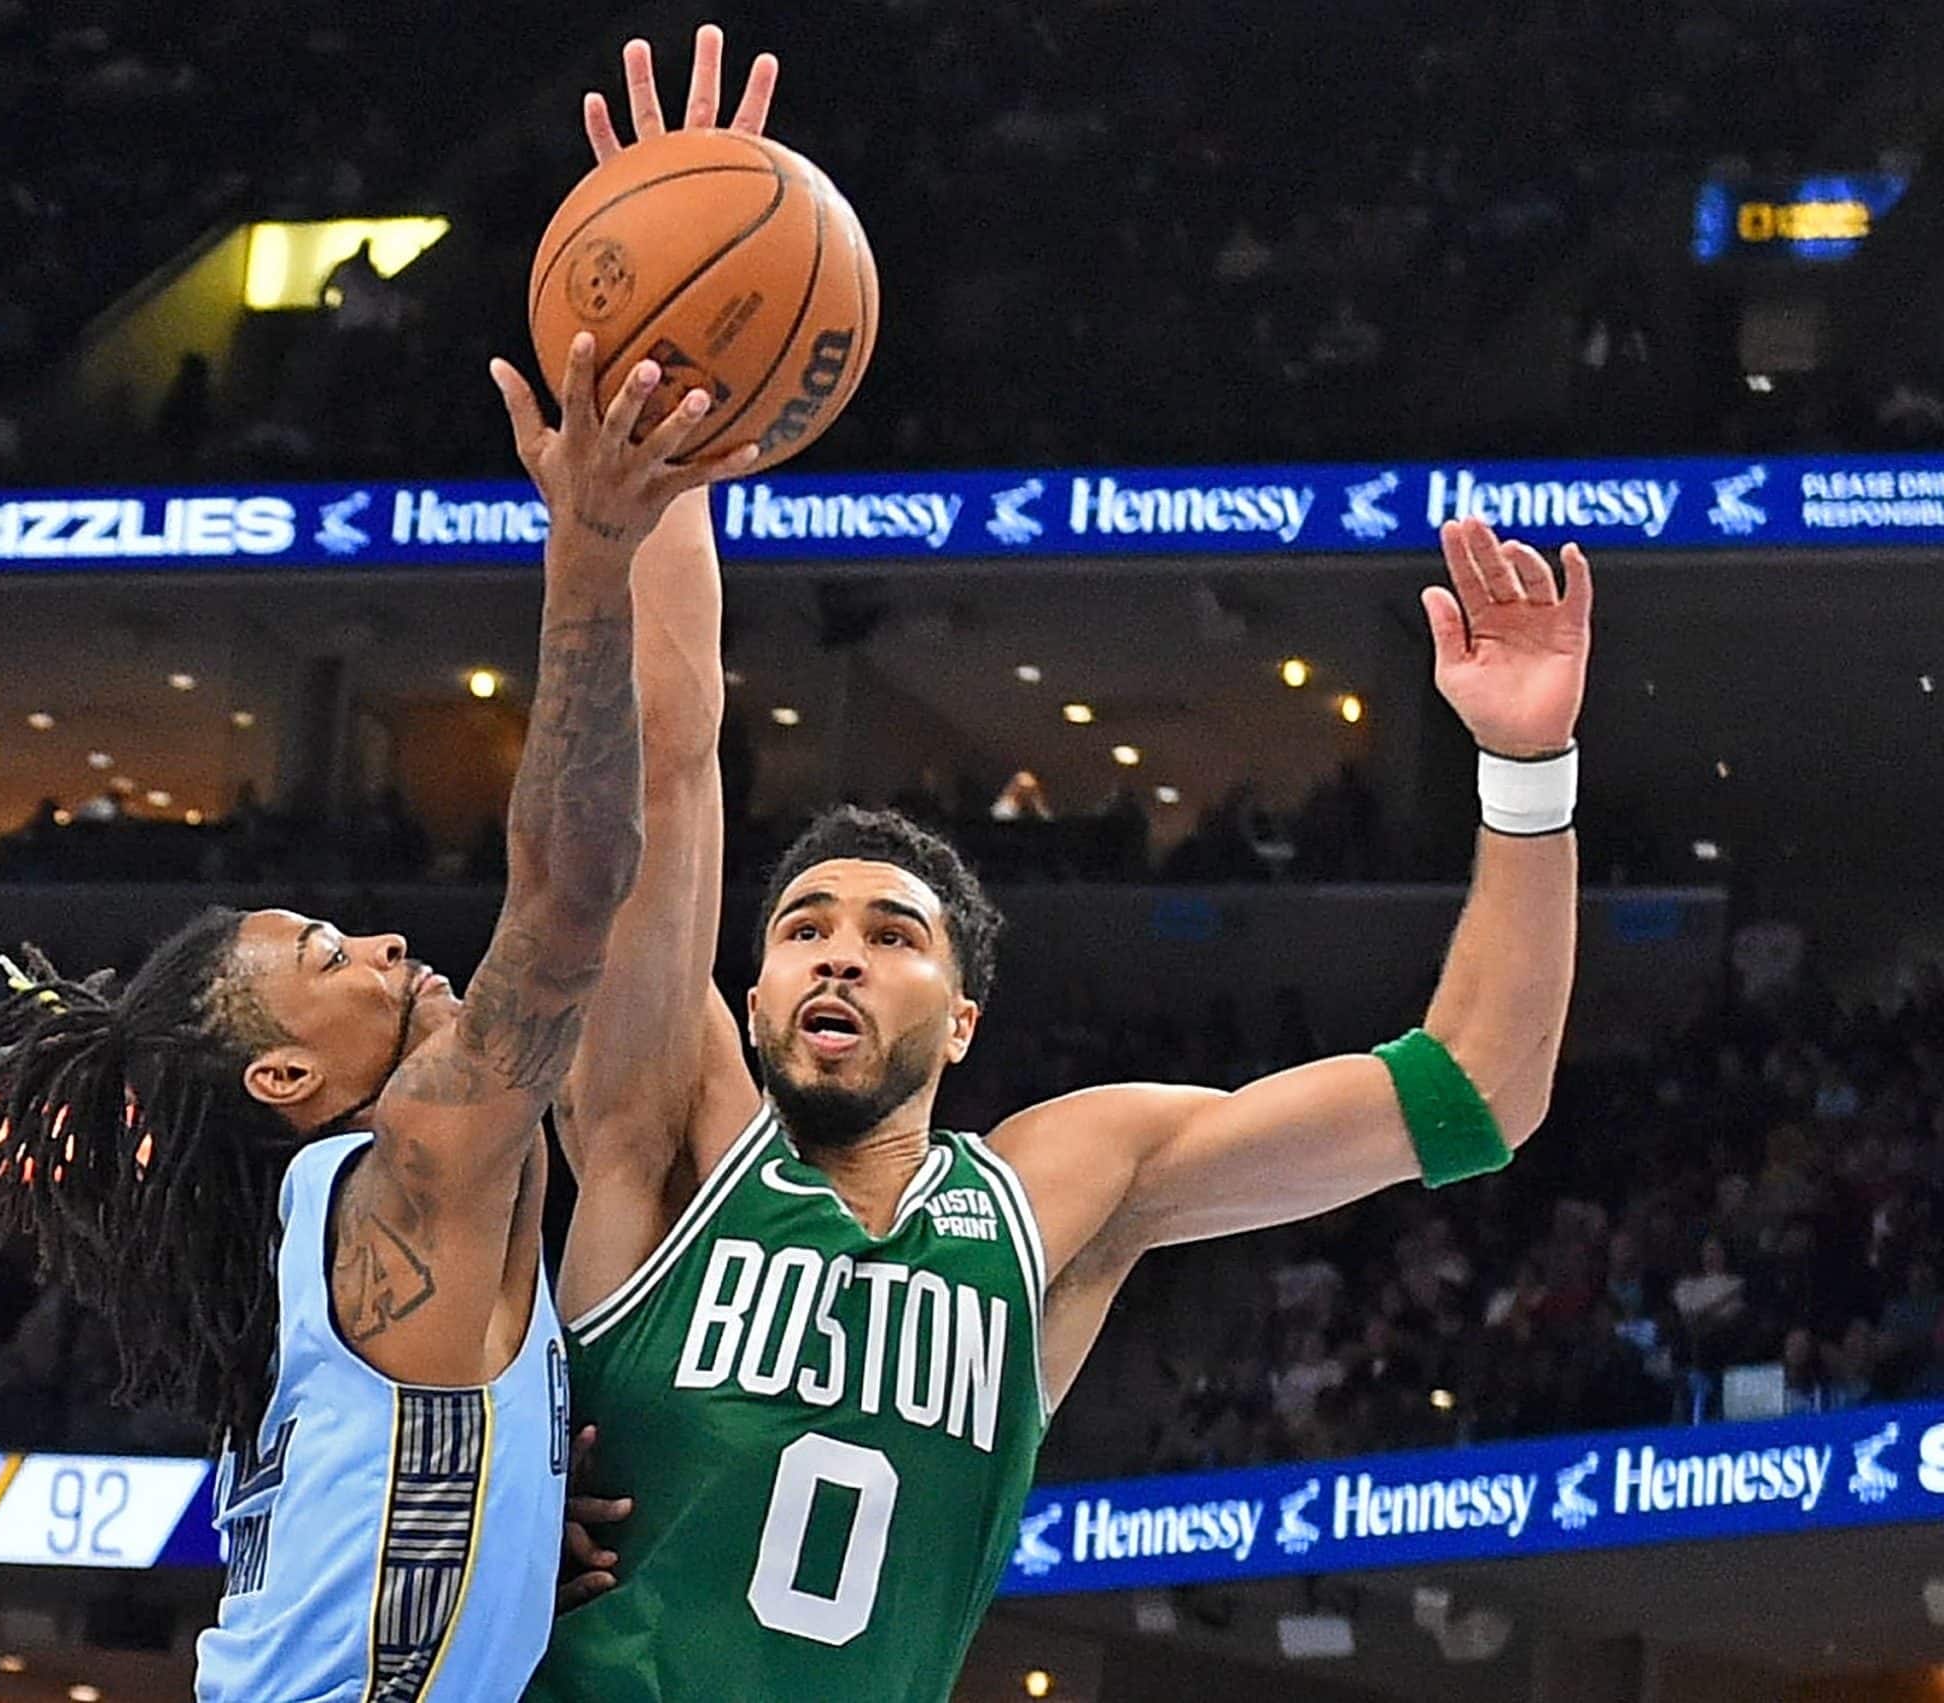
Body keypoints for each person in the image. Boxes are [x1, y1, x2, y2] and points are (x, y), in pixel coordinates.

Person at [529, 40, 1594, 1662]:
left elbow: (1480, 1091)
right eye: (805, 927)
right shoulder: (659, 1134)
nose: (835, 950)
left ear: (963, 1023)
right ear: (747, 998)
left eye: (894, 937)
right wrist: (659, 434)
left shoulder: (1060, 1197)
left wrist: (1526, 768)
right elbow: (672, 759)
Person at [0, 329, 756, 1701]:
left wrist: (513, 1539)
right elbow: (578, 875)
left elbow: (669, 753)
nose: (388, 945)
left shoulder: (362, 1222)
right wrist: (588, 545)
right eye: (334, 953)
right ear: (285, 1074)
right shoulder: (414, 1164)